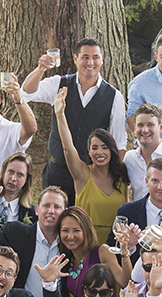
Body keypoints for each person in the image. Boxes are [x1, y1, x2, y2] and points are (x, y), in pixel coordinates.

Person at [22, 38, 128, 202]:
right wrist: (40, 69)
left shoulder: (114, 97)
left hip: (90, 175)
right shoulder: (59, 83)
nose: (90, 62)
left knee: (83, 223)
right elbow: (27, 93)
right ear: (75, 58)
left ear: (102, 59)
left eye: (95, 57)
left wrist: (112, 180)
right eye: (85, 57)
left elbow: (119, 143)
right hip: (56, 172)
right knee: (52, 221)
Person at [52, 88, 129, 243]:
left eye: (104, 147)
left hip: (115, 245)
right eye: (95, 148)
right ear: (89, 151)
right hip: (87, 244)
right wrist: (60, 114)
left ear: (112, 150)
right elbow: (68, 148)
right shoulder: (82, 174)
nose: (99, 152)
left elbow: (125, 212)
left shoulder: (121, 177)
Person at [0, 186, 68, 297]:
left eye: (57, 207)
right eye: (46, 205)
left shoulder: (69, 243)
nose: (51, 211)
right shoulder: (16, 232)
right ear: (37, 210)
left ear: (64, 212)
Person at [58, 205, 131, 297]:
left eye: (76, 230)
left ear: (86, 231)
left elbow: (125, 282)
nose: (70, 236)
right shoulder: (66, 260)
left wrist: (124, 252)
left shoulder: (102, 252)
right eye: (65, 230)